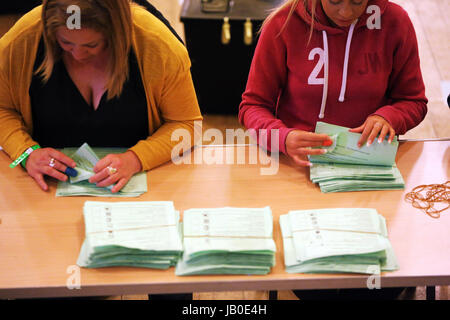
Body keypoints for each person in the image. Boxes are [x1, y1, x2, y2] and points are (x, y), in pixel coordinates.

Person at [0, 0, 202, 193]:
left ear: (117, 32)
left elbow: (188, 125)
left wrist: (136, 159)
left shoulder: (157, 46)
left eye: (92, 45)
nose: (78, 55)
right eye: (65, 43)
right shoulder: (21, 42)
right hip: (45, 187)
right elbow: (2, 109)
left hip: (141, 184)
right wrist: (26, 153)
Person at [239, 0, 427, 167]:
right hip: (297, 162)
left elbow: (414, 101)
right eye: (334, 1)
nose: (346, 12)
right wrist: (282, 137)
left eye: (357, 2)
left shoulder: (395, 22)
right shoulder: (283, 23)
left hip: (369, 162)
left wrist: (388, 118)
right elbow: (253, 106)